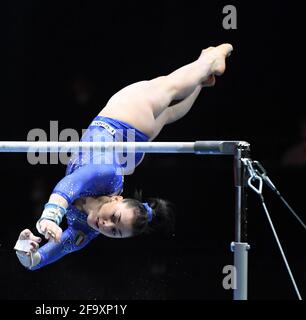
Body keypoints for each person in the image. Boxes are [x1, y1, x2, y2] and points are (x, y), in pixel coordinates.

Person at [14, 44, 233, 270]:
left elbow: (38, 260)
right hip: (123, 120)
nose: (106, 225)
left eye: (114, 232)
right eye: (115, 218)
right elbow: (72, 183)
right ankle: (209, 59)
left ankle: (200, 80)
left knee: (168, 112)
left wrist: (25, 251)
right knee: (170, 87)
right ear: (116, 199)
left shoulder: (85, 230)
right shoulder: (107, 174)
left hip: (129, 146)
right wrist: (50, 217)